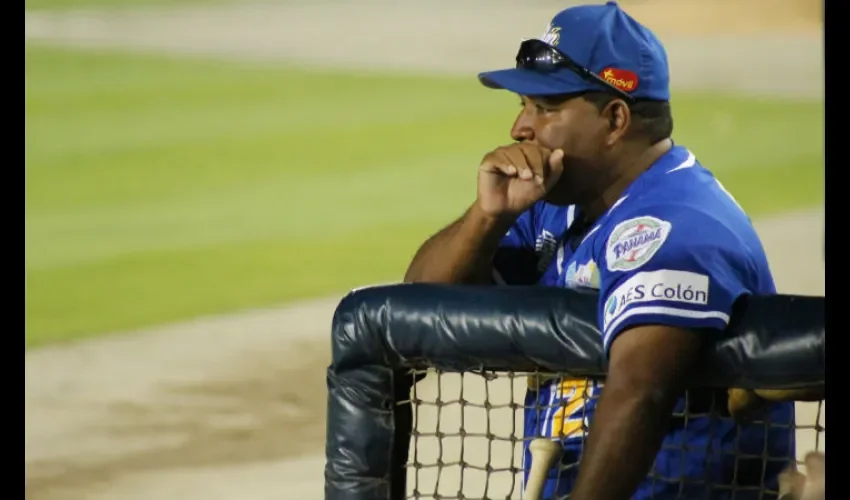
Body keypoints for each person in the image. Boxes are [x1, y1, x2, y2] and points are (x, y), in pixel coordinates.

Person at [403, 2, 795, 499]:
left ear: (614, 119)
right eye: (524, 106)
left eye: (544, 109)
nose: (520, 129)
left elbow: (640, 394)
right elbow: (415, 309)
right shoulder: (558, 204)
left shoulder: (677, 228)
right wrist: (488, 217)